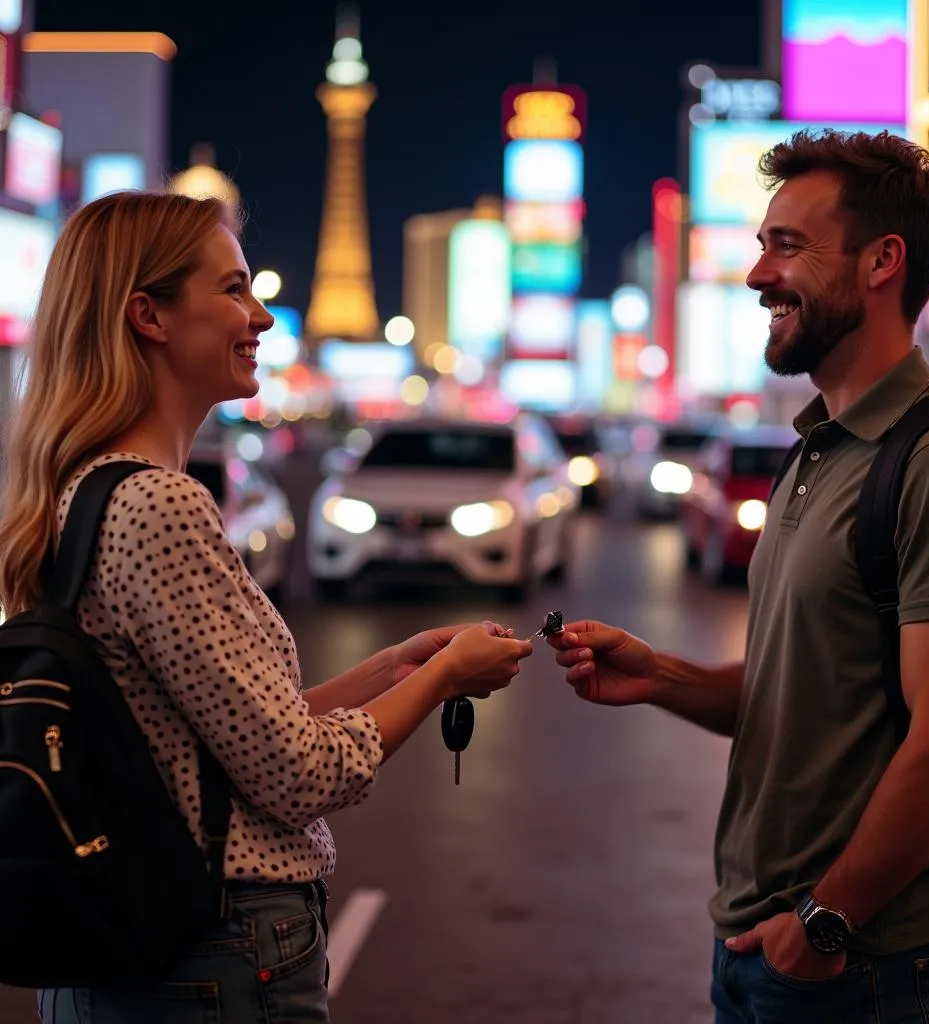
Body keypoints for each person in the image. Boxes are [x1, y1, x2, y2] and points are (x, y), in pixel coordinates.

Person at [0, 190, 534, 1024]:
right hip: (213, 955)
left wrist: (395, 668)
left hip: (131, 945)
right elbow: (295, 775)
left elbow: (219, 742)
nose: (263, 317)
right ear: (151, 316)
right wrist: (442, 683)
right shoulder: (159, 506)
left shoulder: (83, 493)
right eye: (234, 290)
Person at [549, 129, 929, 1023]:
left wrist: (824, 924)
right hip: (761, 948)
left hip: (863, 965)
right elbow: (807, 694)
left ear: (884, 262)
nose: (757, 275)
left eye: (788, 246)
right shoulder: (815, 451)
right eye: (763, 244)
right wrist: (661, 678)